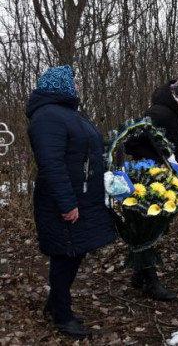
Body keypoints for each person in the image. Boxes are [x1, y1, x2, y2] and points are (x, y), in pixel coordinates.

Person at [26, 65, 116, 339]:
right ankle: (62, 315)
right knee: (65, 256)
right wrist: (67, 203)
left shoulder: (69, 114)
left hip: (83, 196)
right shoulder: (47, 117)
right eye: (73, 82)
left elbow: (82, 150)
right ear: (60, 85)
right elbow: (51, 164)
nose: (77, 86)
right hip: (63, 201)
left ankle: (55, 303)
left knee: (75, 252)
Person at [125, 75, 178, 300]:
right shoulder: (159, 113)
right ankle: (150, 281)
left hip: (166, 177)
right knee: (146, 227)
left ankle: (140, 274)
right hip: (149, 179)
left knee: (156, 227)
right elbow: (133, 141)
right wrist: (156, 159)